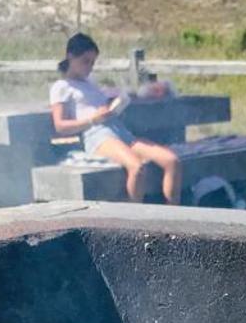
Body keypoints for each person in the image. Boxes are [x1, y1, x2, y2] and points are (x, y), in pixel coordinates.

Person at [48, 33, 182, 204]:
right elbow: (60, 126)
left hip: (119, 130)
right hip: (97, 135)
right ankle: (133, 223)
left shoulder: (90, 83)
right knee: (137, 168)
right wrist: (93, 119)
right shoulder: (61, 87)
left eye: (92, 62)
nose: (89, 67)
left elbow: (98, 104)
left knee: (172, 161)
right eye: (85, 61)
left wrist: (117, 103)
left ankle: (173, 215)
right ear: (70, 57)